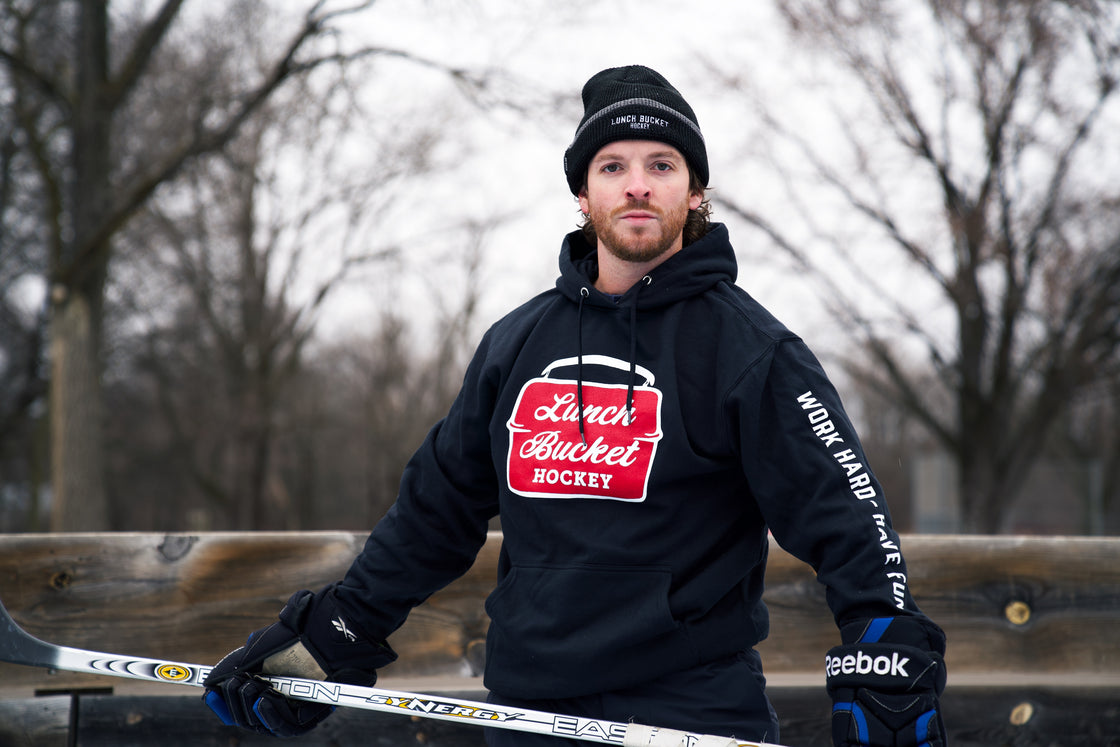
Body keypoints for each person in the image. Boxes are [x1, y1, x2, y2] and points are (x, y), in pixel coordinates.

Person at [203, 65, 947, 747]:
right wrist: (336, 629)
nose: (637, 185)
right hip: (529, 711)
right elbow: (435, 510)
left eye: (661, 166)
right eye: (612, 166)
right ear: (584, 196)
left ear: (694, 193)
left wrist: (886, 644)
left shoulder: (752, 351)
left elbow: (845, 515)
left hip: (690, 714)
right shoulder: (516, 343)